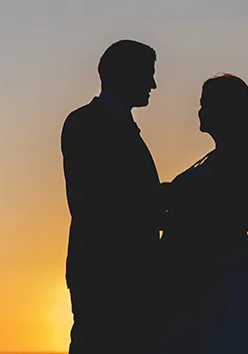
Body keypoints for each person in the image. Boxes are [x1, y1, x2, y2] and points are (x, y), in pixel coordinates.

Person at [159, 74, 248, 354]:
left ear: (223, 110)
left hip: (216, 276)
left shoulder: (238, 158)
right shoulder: (220, 156)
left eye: (205, 104)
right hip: (203, 269)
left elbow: (233, 219)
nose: (199, 111)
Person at [60, 39, 164, 354]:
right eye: (148, 74)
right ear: (123, 73)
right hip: (106, 275)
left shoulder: (118, 125)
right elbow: (95, 202)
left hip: (131, 276)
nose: (153, 85)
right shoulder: (84, 123)